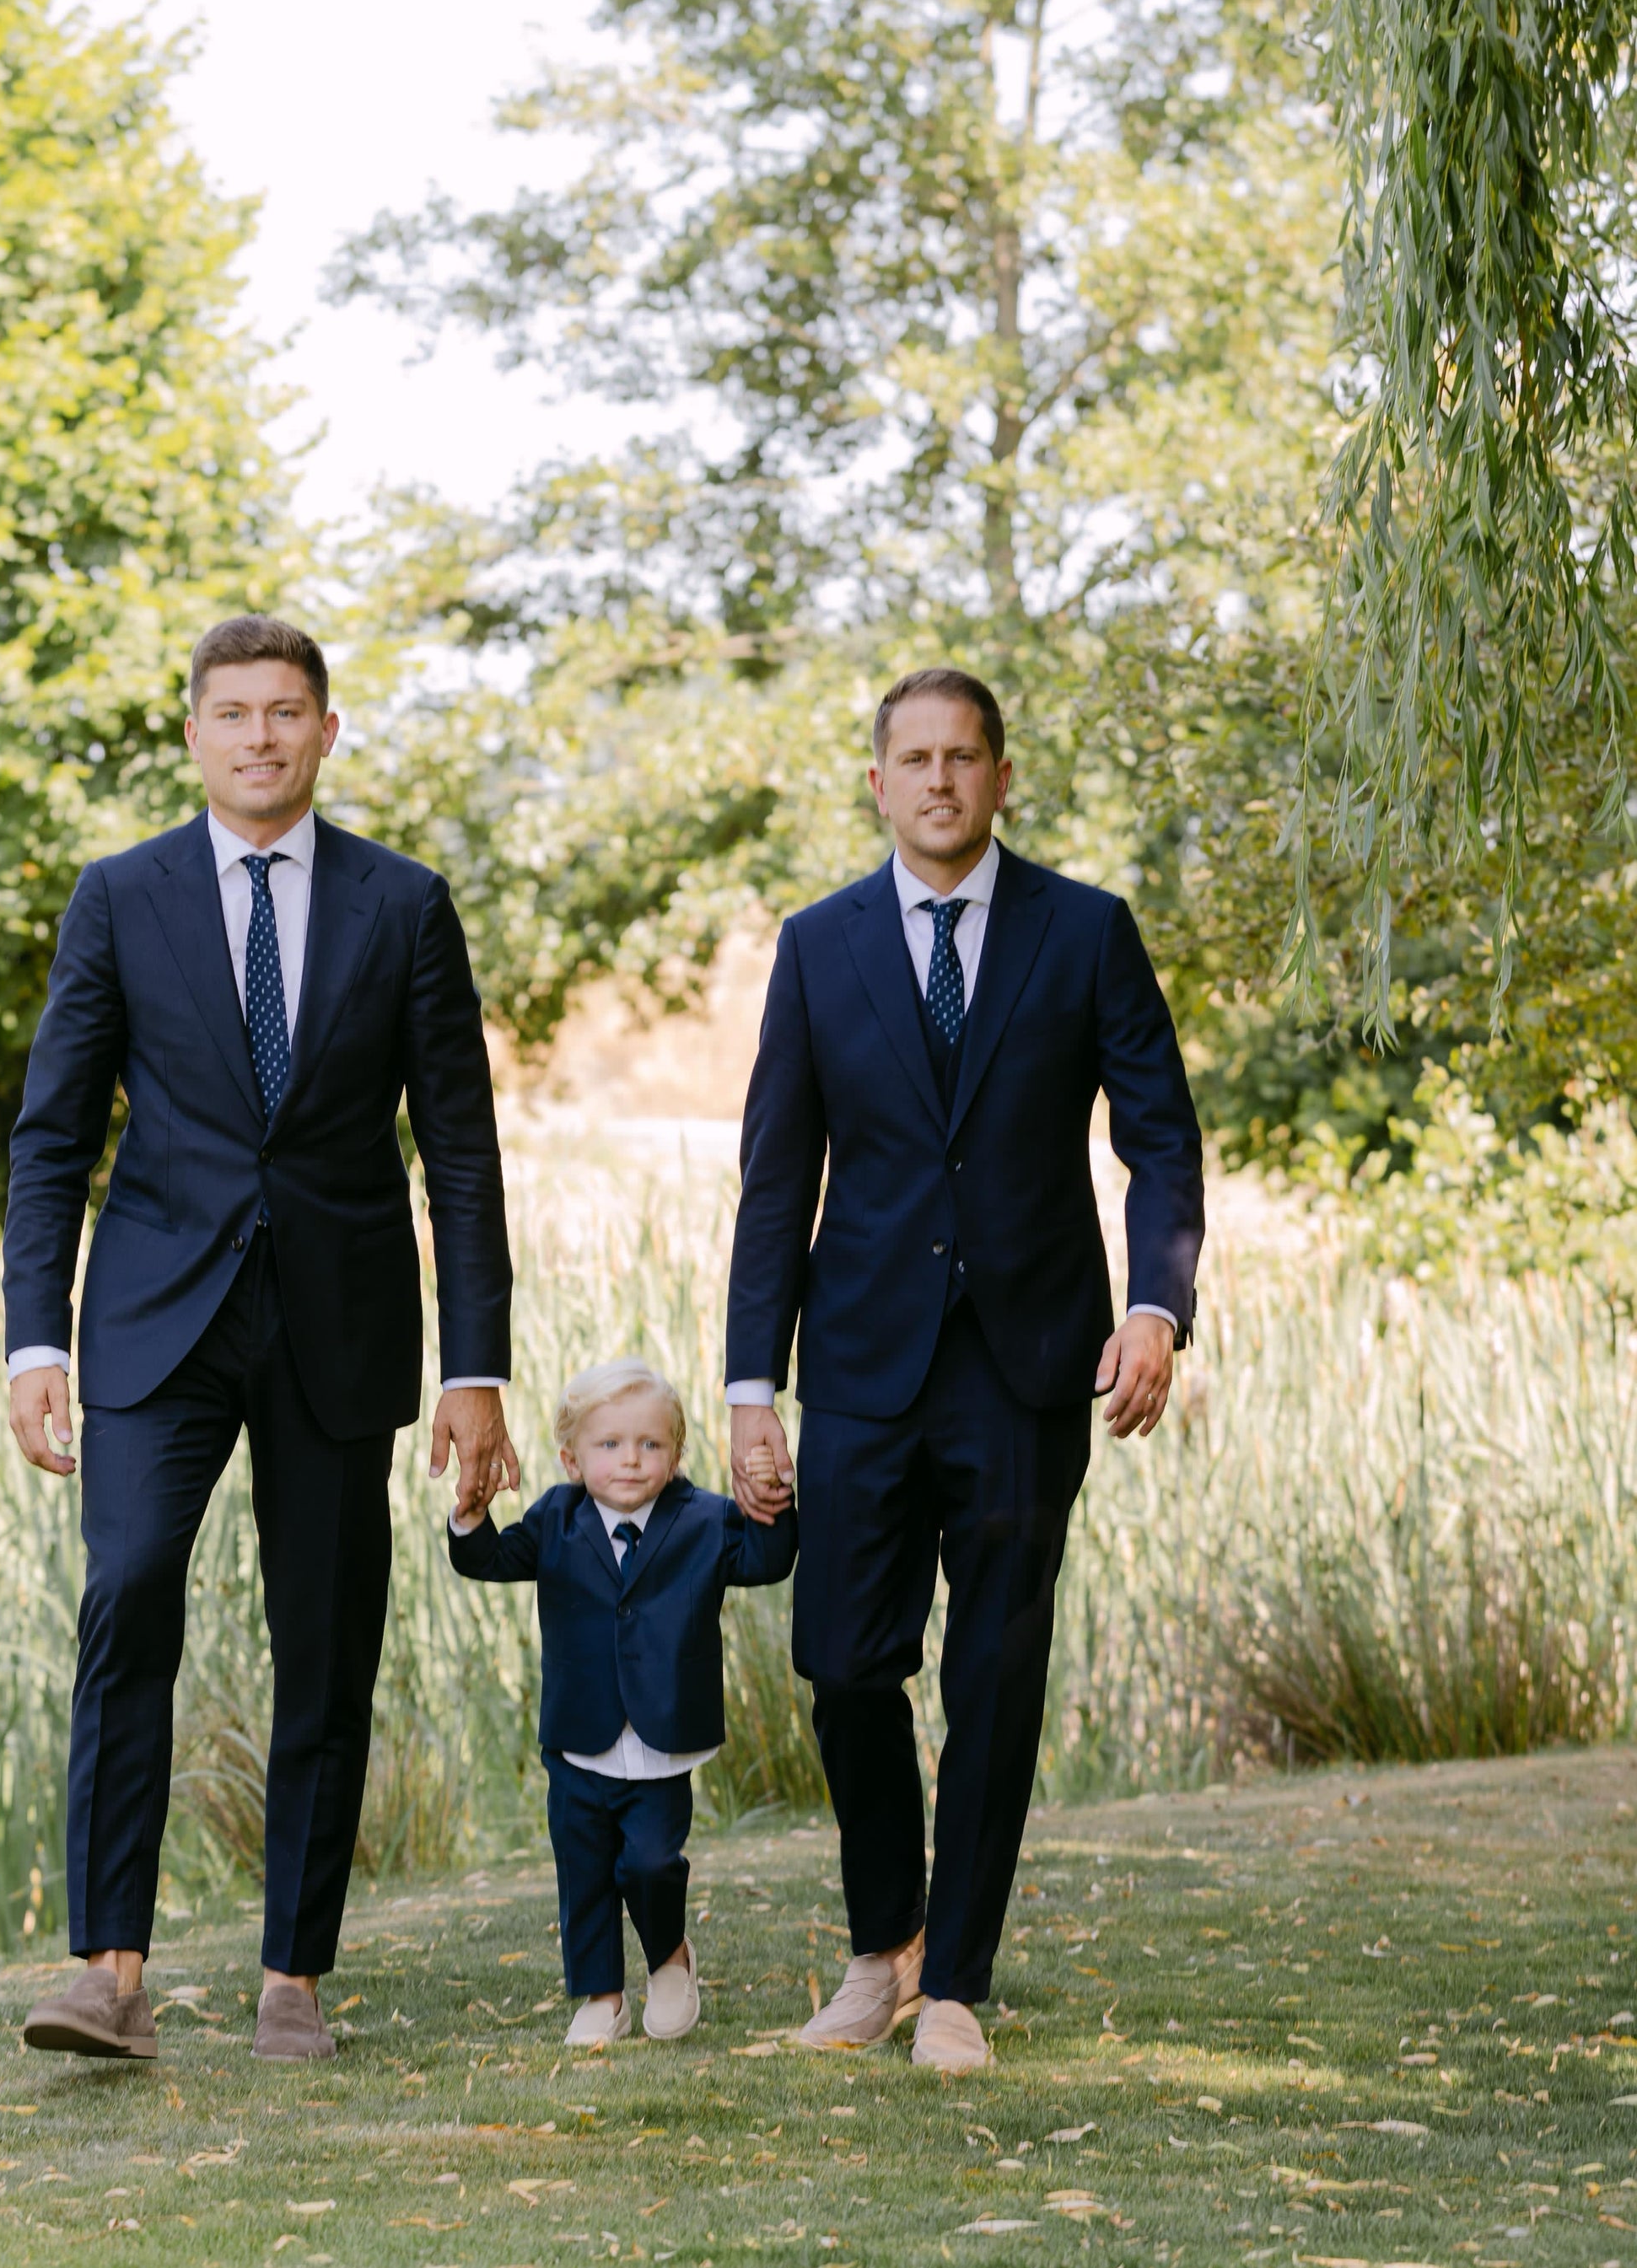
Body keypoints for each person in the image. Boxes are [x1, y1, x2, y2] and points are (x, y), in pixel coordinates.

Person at [4, 614, 515, 2066]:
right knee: (129, 1595)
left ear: (326, 731)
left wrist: (473, 1364)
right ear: (194, 734)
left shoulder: (403, 903)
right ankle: (108, 1969)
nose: (259, 736)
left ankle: (296, 1971)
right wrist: (31, 1340)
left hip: (342, 1326)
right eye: (231, 713)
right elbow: (52, 1138)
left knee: (328, 1640)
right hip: (157, 1321)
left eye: (285, 712)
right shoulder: (120, 896)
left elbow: (461, 1154)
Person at [724, 666, 1203, 2073]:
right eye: (913, 759)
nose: (938, 780)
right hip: (861, 1360)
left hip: (1028, 1360)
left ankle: (956, 1986)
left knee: (997, 1669)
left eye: (963, 757)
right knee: (841, 1662)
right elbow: (775, 1180)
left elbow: (1160, 1134)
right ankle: (885, 1944)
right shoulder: (819, 946)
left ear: (1001, 776)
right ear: (877, 782)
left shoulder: (1088, 931)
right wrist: (753, 1387)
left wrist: (1160, 1304)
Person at [448, 1358, 796, 2045]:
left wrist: (773, 1501)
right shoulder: (555, 1517)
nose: (632, 1460)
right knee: (584, 1870)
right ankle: (601, 1995)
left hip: (664, 1739)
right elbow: (489, 1561)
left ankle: (670, 1955)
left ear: (676, 1453)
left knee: (650, 1863)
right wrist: (471, 1518)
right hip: (580, 1735)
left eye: (651, 1445)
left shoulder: (703, 1519)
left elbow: (766, 1560)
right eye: (610, 1445)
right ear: (571, 1457)